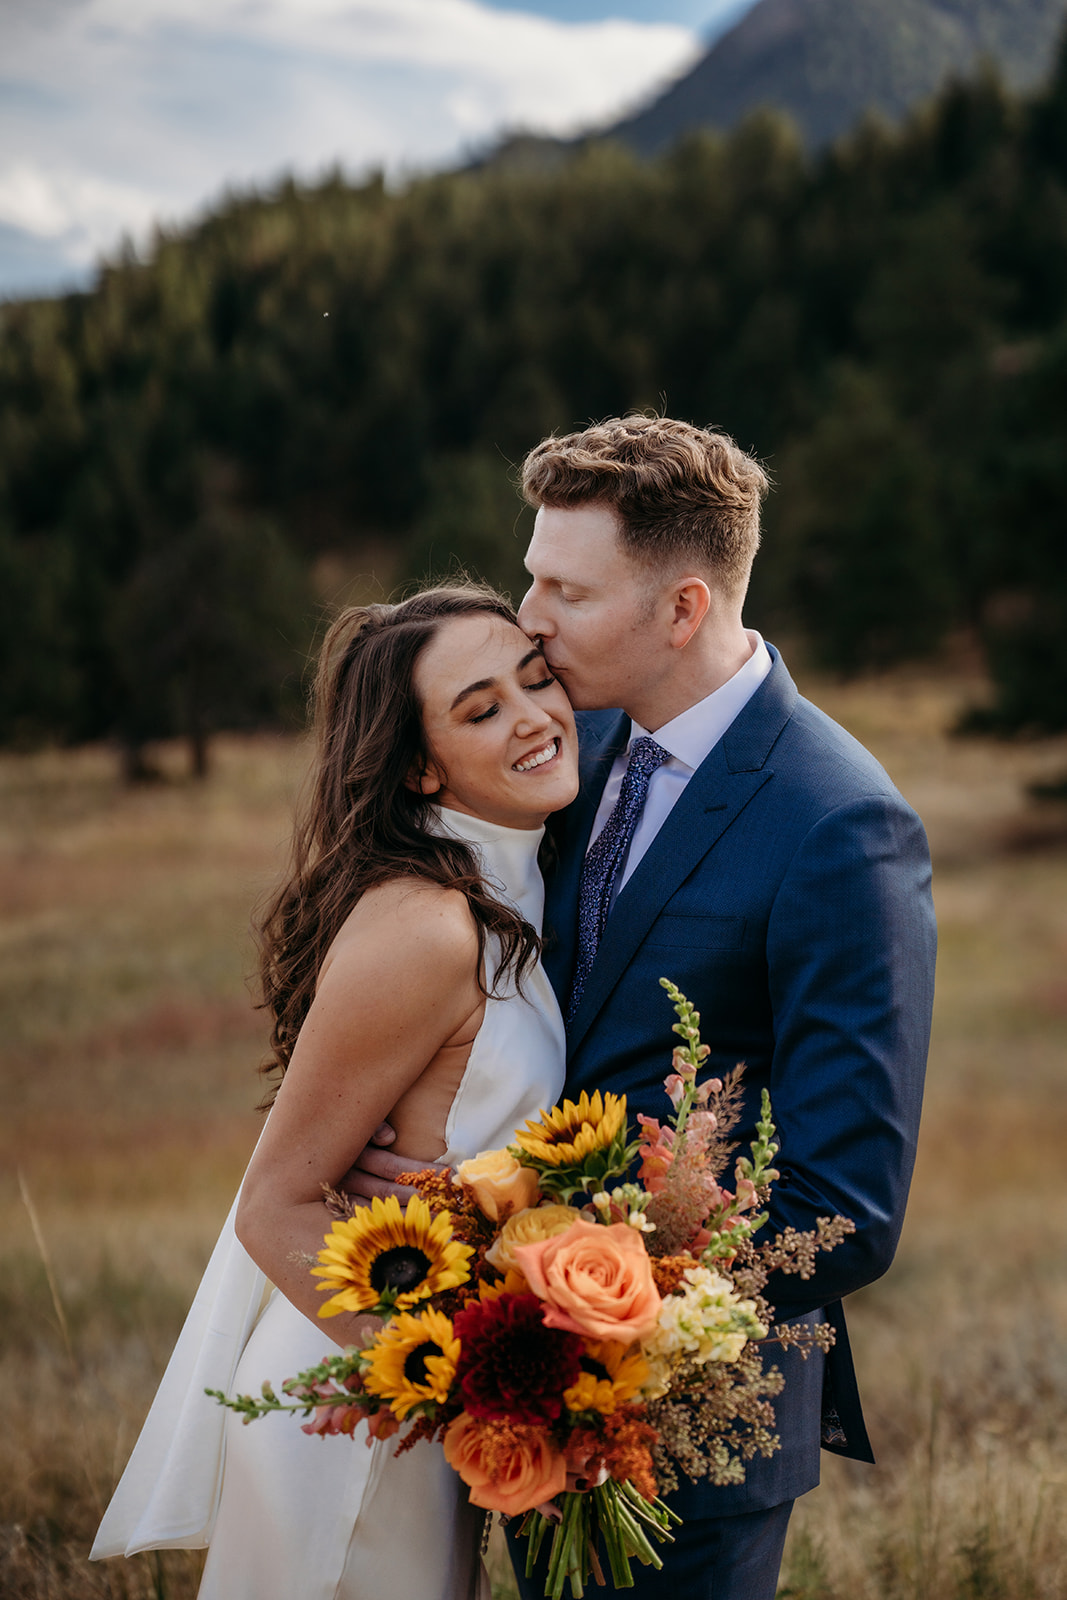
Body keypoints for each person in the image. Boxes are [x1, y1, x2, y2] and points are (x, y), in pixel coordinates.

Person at [355, 416, 937, 1600]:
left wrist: (545, 1278)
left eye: (565, 588)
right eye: (530, 574)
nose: (528, 617)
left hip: (687, 1435)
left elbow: (845, 1205)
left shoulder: (839, 827)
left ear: (680, 608)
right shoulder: (569, 741)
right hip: (512, 1403)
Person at [90, 585, 580, 1600]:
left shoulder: (504, 884)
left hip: (407, 1401)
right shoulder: (429, 924)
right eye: (480, 708)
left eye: (535, 679)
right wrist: (456, 1390)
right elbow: (275, 1201)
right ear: (417, 764)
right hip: (355, 1424)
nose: (533, 716)